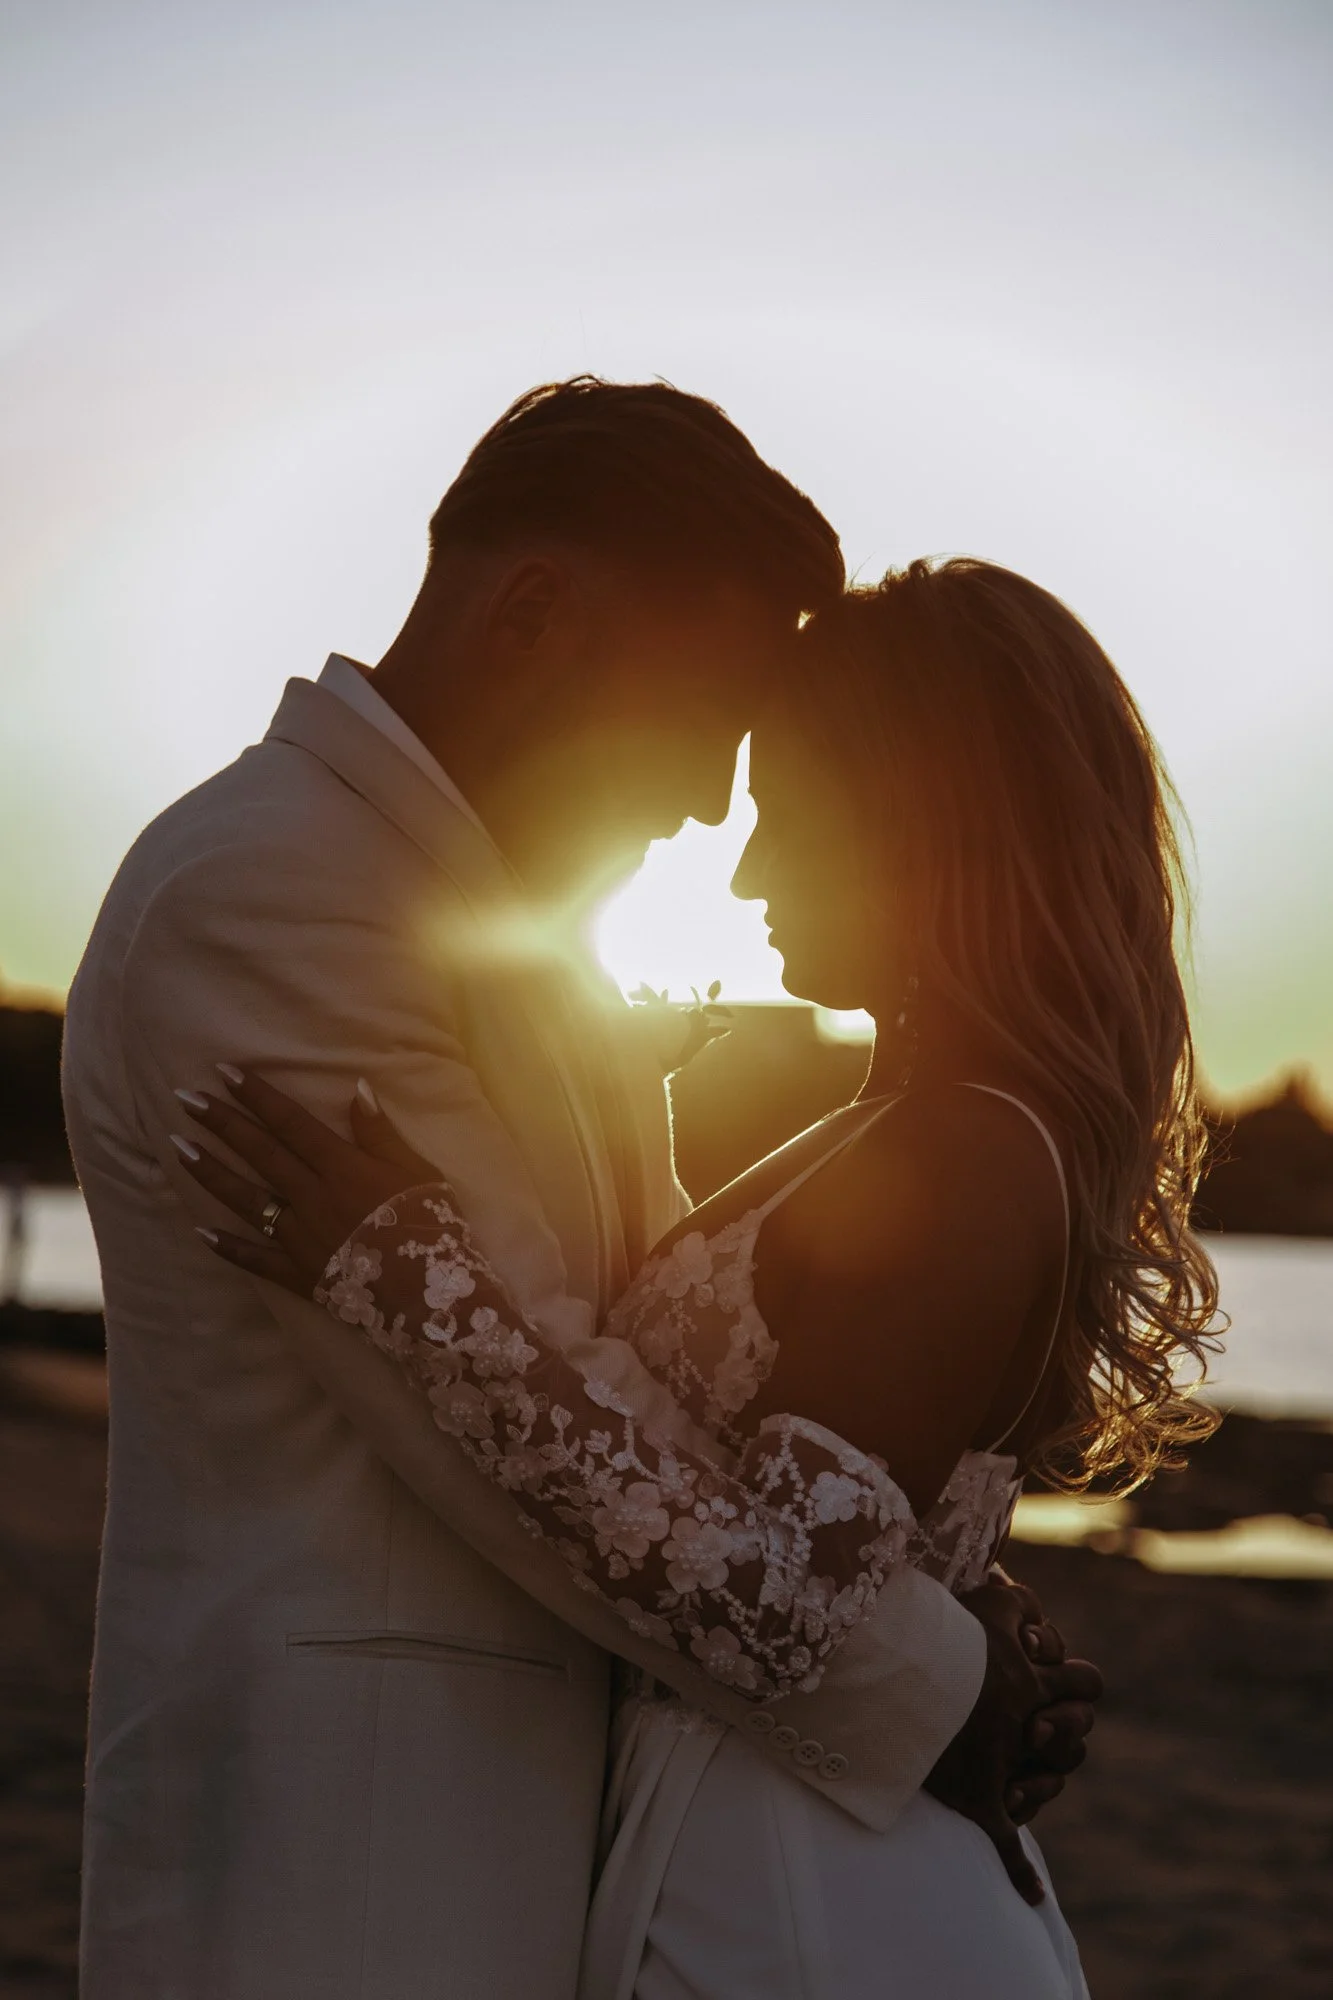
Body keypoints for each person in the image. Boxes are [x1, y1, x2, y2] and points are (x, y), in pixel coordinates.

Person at [65, 380, 1095, 1999]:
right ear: (533, 613)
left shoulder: (499, 930)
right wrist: (933, 1674)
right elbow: (500, 1405)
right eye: (704, 722)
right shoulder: (270, 895)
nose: (709, 810)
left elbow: (671, 1406)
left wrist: (913, 1552)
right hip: (355, 1864)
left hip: (595, 1844)